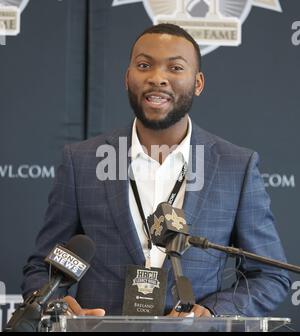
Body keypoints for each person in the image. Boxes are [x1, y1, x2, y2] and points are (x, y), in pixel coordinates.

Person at [21, 23, 290, 318]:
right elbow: (44, 269)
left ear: (198, 83)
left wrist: (212, 313)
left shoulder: (235, 166)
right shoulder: (82, 161)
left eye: (175, 68)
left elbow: (269, 276)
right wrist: (56, 305)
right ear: (127, 78)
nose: (157, 78)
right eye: (144, 65)